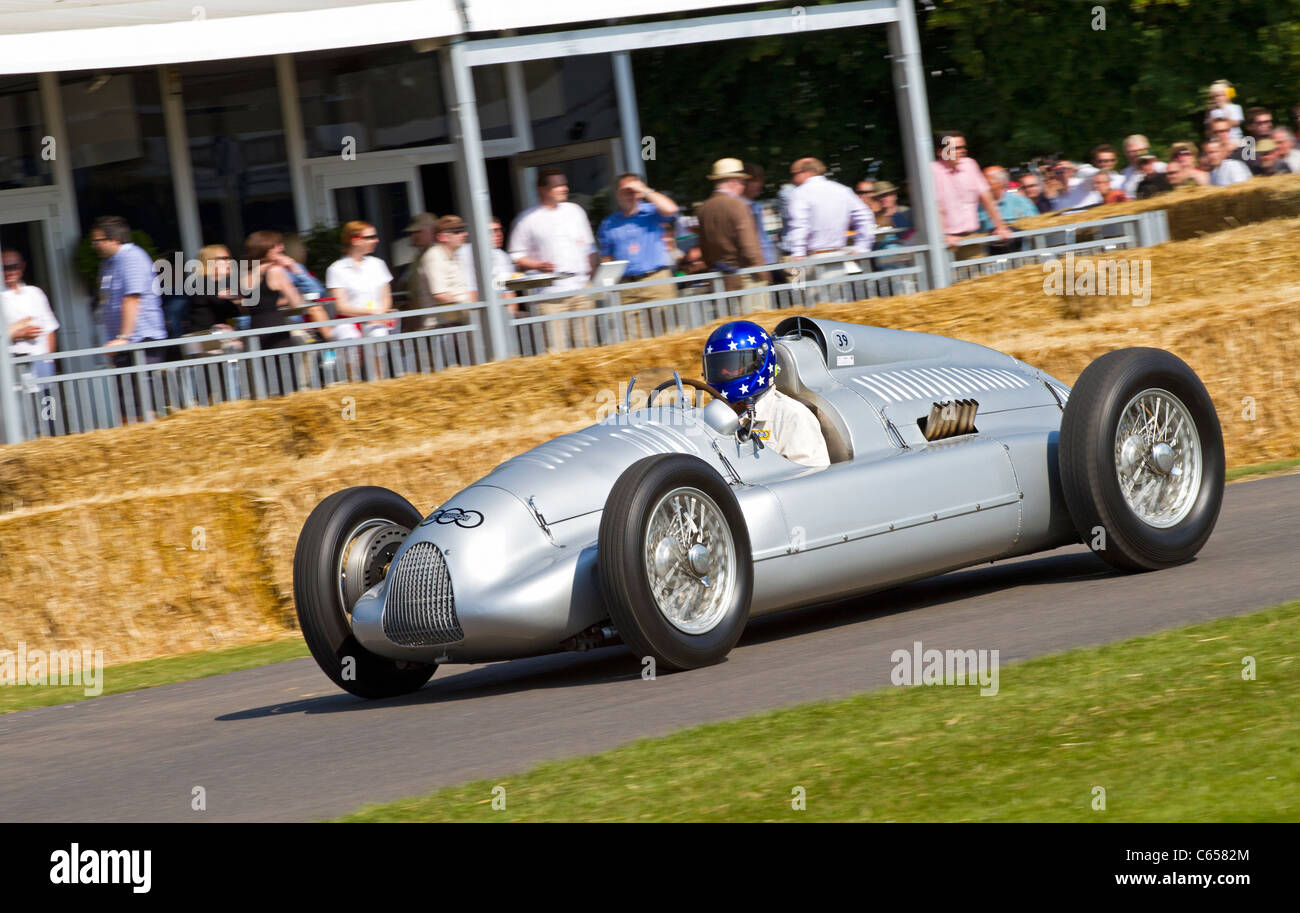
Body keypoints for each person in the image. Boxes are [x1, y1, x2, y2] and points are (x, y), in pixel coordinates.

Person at [701, 320, 829, 469]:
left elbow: (813, 481)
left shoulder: (791, 417)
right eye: (718, 367)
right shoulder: (708, 418)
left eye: (731, 365)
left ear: (759, 363)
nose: (723, 372)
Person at [508, 168, 597, 352]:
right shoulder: (527, 219)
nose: (564, 189)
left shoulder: (576, 211)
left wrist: (592, 278)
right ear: (543, 189)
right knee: (556, 351)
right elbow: (515, 255)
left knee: (588, 349)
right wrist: (537, 265)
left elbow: (589, 247)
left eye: (564, 184)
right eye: (558, 186)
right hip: (549, 296)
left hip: (581, 290)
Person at [597, 172, 679, 338]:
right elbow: (607, 258)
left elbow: (671, 209)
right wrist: (607, 287)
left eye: (634, 191)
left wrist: (644, 189)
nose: (631, 195)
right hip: (626, 288)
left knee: (668, 337)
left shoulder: (652, 212)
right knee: (634, 344)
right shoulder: (608, 224)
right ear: (617, 194)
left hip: (656, 282)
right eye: (625, 191)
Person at [90, 215, 168, 366]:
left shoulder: (132, 257)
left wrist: (124, 337)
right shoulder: (107, 263)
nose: (93, 245)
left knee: (143, 389)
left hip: (141, 341)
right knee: (126, 389)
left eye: (97, 241)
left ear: (114, 239)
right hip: (123, 343)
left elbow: (132, 299)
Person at [695, 158, 768, 314]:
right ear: (733, 181)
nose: (744, 186)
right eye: (743, 182)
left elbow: (704, 248)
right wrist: (764, 274)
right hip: (745, 278)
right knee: (754, 328)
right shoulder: (738, 205)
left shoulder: (703, 209)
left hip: (718, 280)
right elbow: (750, 247)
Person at [930, 131, 1012, 260]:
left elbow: (986, 198)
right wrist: (943, 235)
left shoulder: (970, 165)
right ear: (940, 152)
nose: (962, 151)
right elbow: (934, 207)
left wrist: (1000, 226)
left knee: (978, 276)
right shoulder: (932, 170)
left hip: (969, 238)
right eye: (956, 148)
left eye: (963, 147)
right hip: (942, 243)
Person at [326, 220, 394, 342]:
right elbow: (341, 307)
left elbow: (386, 297)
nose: (376, 240)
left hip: (376, 321)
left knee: (379, 334)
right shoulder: (336, 269)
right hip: (349, 323)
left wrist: (380, 315)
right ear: (355, 241)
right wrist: (372, 313)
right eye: (370, 237)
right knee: (348, 336)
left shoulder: (378, 264)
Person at [2, 248, 58, 379]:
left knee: (47, 399)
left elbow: (50, 329)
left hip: (40, 363)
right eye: (4, 267)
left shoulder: (35, 293)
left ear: (22, 266)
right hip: (10, 365)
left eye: (14, 266)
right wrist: (16, 334)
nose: (10, 272)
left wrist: (49, 360)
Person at [398, 212, 437, 333]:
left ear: (432, 231)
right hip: (422, 316)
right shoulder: (419, 256)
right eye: (412, 233)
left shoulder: (437, 254)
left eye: (418, 231)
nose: (414, 236)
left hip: (435, 318)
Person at [1119, 135, 1167, 200]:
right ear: (1126, 154)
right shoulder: (1125, 174)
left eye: (1139, 150)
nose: (1135, 154)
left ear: (1147, 149)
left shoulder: (1162, 168)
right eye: (1131, 152)